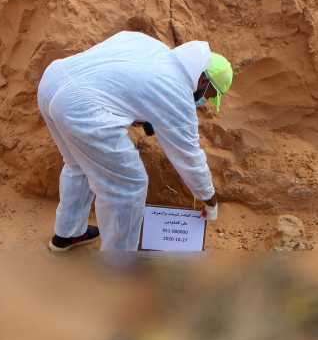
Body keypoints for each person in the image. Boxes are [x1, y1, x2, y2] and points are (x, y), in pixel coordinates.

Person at [37, 31, 234, 252]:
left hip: (53, 80)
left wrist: (132, 110)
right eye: (209, 95)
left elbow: (116, 77)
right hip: (79, 106)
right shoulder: (176, 91)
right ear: (204, 80)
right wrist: (208, 197)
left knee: (78, 165)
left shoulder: (150, 46)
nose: (204, 101)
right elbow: (189, 156)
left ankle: (68, 234)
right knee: (129, 185)